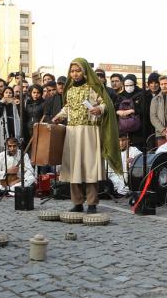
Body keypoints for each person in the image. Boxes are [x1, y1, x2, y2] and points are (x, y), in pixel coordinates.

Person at [52, 58, 121, 214]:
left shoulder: (93, 87)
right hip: (72, 132)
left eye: (78, 71)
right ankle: (77, 202)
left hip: (90, 132)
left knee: (90, 167)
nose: (75, 74)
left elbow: (105, 103)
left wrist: (100, 109)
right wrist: (59, 116)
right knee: (73, 167)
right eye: (72, 71)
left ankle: (91, 203)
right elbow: (68, 108)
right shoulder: (69, 90)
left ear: (84, 72)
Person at [0, 87, 21, 153]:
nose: (8, 94)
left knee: (14, 143)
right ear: (3, 94)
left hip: (14, 126)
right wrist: (2, 103)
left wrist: (18, 104)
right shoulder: (0, 103)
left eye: (10, 93)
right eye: (6, 93)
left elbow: (21, 115)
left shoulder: (15, 102)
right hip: (4, 127)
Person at [150, 75, 167, 144]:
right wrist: (163, 130)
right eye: (161, 84)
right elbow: (153, 117)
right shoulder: (155, 99)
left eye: (166, 84)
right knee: (163, 154)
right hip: (161, 133)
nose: (163, 86)